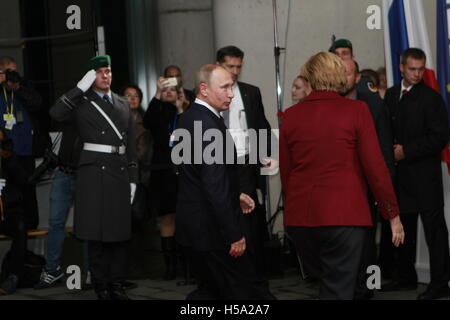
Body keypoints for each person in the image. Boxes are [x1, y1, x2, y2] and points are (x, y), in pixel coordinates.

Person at [280, 52, 404, 300]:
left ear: (310, 78)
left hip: (301, 220)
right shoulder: (357, 110)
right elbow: (375, 167)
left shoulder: (290, 116)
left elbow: (287, 173)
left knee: (331, 283)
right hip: (345, 217)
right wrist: (392, 214)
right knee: (339, 288)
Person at [175, 64, 274, 300]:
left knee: (212, 291)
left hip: (196, 228)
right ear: (204, 89)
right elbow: (213, 184)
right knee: (249, 292)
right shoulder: (209, 124)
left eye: (232, 86)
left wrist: (235, 195)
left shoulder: (189, 117)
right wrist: (234, 234)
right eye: (225, 87)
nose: (231, 93)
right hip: (213, 231)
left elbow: (195, 173)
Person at [49, 55, 138, 300]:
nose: (105, 76)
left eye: (108, 71)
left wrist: (133, 178)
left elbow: (129, 144)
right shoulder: (81, 102)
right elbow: (56, 113)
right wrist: (79, 88)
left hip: (118, 171)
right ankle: (101, 286)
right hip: (92, 172)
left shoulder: (122, 103)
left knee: (119, 234)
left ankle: (117, 285)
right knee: (96, 236)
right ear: (91, 76)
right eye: (99, 72)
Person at [380, 48, 450, 300]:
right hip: (400, 178)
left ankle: (441, 283)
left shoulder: (432, 99)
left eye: (420, 69)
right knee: (403, 230)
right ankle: (405, 277)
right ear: (401, 68)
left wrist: (405, 151)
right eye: (412, 69)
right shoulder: (389, 95)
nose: (417, 73)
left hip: (425, 177)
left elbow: (440, 138)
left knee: (435, 233)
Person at [216, 45, 274, 287]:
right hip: (219, 165)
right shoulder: (212, 92)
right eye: (231, 66)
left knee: (249, 220)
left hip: (246, 164)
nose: (236, 71)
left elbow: (262, 126)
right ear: (219, 65)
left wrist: (267, 159)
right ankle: (227, 276)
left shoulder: (251, 92)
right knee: (223, 216)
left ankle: (252, 277)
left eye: (239, 66)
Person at [342, 58, 395, 300]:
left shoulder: (371, 107)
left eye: (348, 73)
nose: (343, 78)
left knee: (363, 249)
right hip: (335, 194)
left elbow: (383, 153)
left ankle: (363, 292)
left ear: (357, 78)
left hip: (364, 192)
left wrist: (382, 193)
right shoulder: (326, 106)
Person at [143, 77, 187, 281]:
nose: (169, 92)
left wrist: (180, 108)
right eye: (165, 90)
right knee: (167, 217)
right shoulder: (157, 111)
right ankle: (170, 267)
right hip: (163, 171)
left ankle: (187, 266)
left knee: (185, 217)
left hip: (184, 171)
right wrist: (157, 93)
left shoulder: (184, 112)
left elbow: (189, 135)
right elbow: (148, 121)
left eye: (173, 89)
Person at [33, 123, 80, 289]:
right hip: (64, 172)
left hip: (86, 173)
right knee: (55, 222)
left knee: (87, 224)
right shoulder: (70, 104)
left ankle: (90, 272)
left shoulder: (96, 107)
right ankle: (52, 269)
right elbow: (56, 112)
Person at [0, 56, 44, 230]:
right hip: (4, 154)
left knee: (27, 192)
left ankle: (29, 226)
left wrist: (17, 86)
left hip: (25, 152)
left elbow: (37, 103)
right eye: (9, 71)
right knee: (7, 193)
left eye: (15, 71)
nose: (13, 75)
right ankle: (8, 224)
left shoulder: (23, 88)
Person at [0, 129, 28, 295]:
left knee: (20, 228)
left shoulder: (10, 159)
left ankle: (13, 276)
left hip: (7, 213)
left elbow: (23, 182)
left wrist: (9, 160)